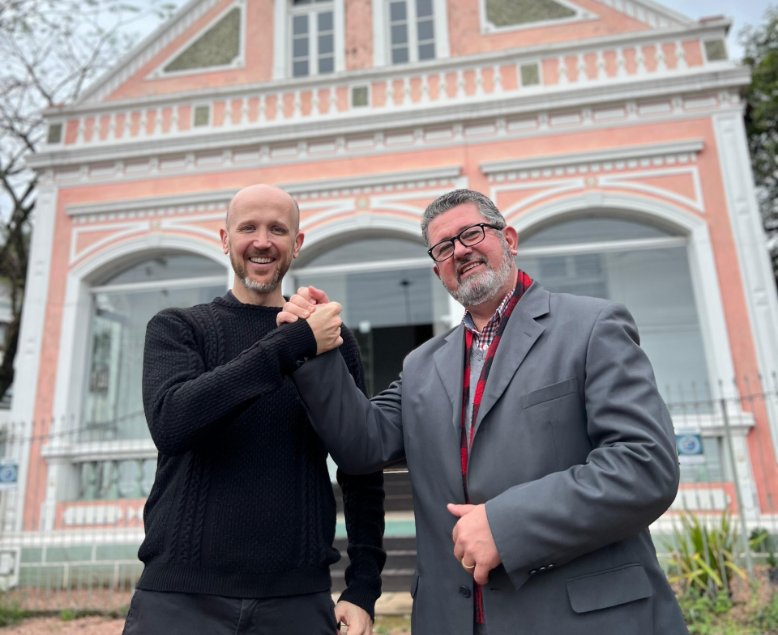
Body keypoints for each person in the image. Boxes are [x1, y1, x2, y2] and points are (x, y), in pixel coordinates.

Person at [277, 189, 687, 635]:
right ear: (438, 271)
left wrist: (508, 525)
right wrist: (315, 349)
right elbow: (362, 443)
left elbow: (644, 466)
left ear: (508, 238)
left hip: (581, 620)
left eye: (472, 233)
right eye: (444, 247)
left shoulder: (592, 327)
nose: (461, 250)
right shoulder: (421, 366)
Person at [122, 184, 385, 635]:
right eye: (248, 227)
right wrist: (294, 342)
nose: (262, 241)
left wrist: (363, 587)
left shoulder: (332, 342)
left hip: (296, 602)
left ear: (296, 245)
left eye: (278, 229)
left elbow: (360, 466)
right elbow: (173, 422)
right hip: (180, 600)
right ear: (225, 240)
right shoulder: (178, 327)